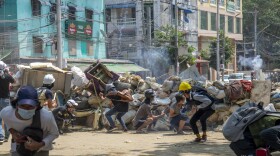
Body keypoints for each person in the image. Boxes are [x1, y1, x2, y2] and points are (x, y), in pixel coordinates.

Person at [0, 85, 59, 156]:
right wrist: (13, 132)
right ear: (16, 105)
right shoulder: (6, 113)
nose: (26, 109)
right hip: (17, 149)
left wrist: (40, 144)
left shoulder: (46, 117)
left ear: (36, 106)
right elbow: (9, 124)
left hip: (41, 151)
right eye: (23, 106)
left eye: (30, 106)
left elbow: (54, 133)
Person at [0, 61, 15, 144]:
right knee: (6, 117)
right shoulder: (7, 76)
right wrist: (7, 72)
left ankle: (0, 137)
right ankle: (6, 136)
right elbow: (14, 81)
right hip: (5, 99)